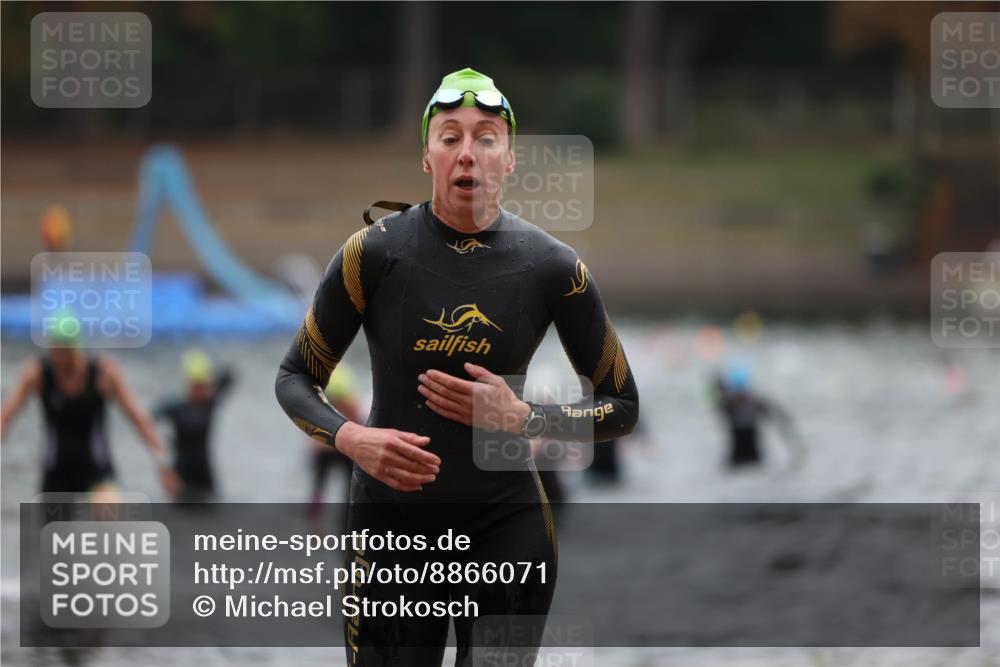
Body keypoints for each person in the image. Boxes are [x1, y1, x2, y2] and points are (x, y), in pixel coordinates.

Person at [275, 67, 639, 667]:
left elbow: (621, 405)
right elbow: (294, 377)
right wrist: (352, 438)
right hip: (389, 529)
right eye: (450, 136)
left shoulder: (554, 268)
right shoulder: (372, 254)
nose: (467, 153)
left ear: (510, 158)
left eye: (486, 136)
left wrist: (526, 418)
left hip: (507, 529)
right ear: (428, 155)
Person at [0, 313, 178, 499]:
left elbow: (137, 418)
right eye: (55, 349)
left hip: (96, 468)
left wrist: (163, 461)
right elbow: (5, 416)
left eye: (64, 350)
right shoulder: (38, 374)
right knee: (52, 526)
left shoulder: (103, 373)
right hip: (56, 470)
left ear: (75, 348)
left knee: (109, 508)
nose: (58, 358)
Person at [154, 349, 235, 502]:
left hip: (206, 480)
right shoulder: (176, 407)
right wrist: (163, 466)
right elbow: (147, 422)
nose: (200, 390)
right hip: (181, 480)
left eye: (203, 385)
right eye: (196, 385)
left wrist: (213, 383)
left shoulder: (210, 403)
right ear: (188, 383)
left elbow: (231, 375)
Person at [711, 361, 806, 469]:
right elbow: (782, 420)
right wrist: (795, 446)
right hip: (752, 459)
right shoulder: (756, 402)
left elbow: (782, 420)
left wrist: (794, 446)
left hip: (739, 460)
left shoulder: (727, 404)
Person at [307, 363, 364, 531]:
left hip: (323, 444)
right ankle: (345, 528)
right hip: (345, 445)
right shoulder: (344, 376)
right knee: (348, 489)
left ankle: (313, 524)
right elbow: (354, 411)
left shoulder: (316, 375)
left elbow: (309, 412)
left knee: (319, 485)